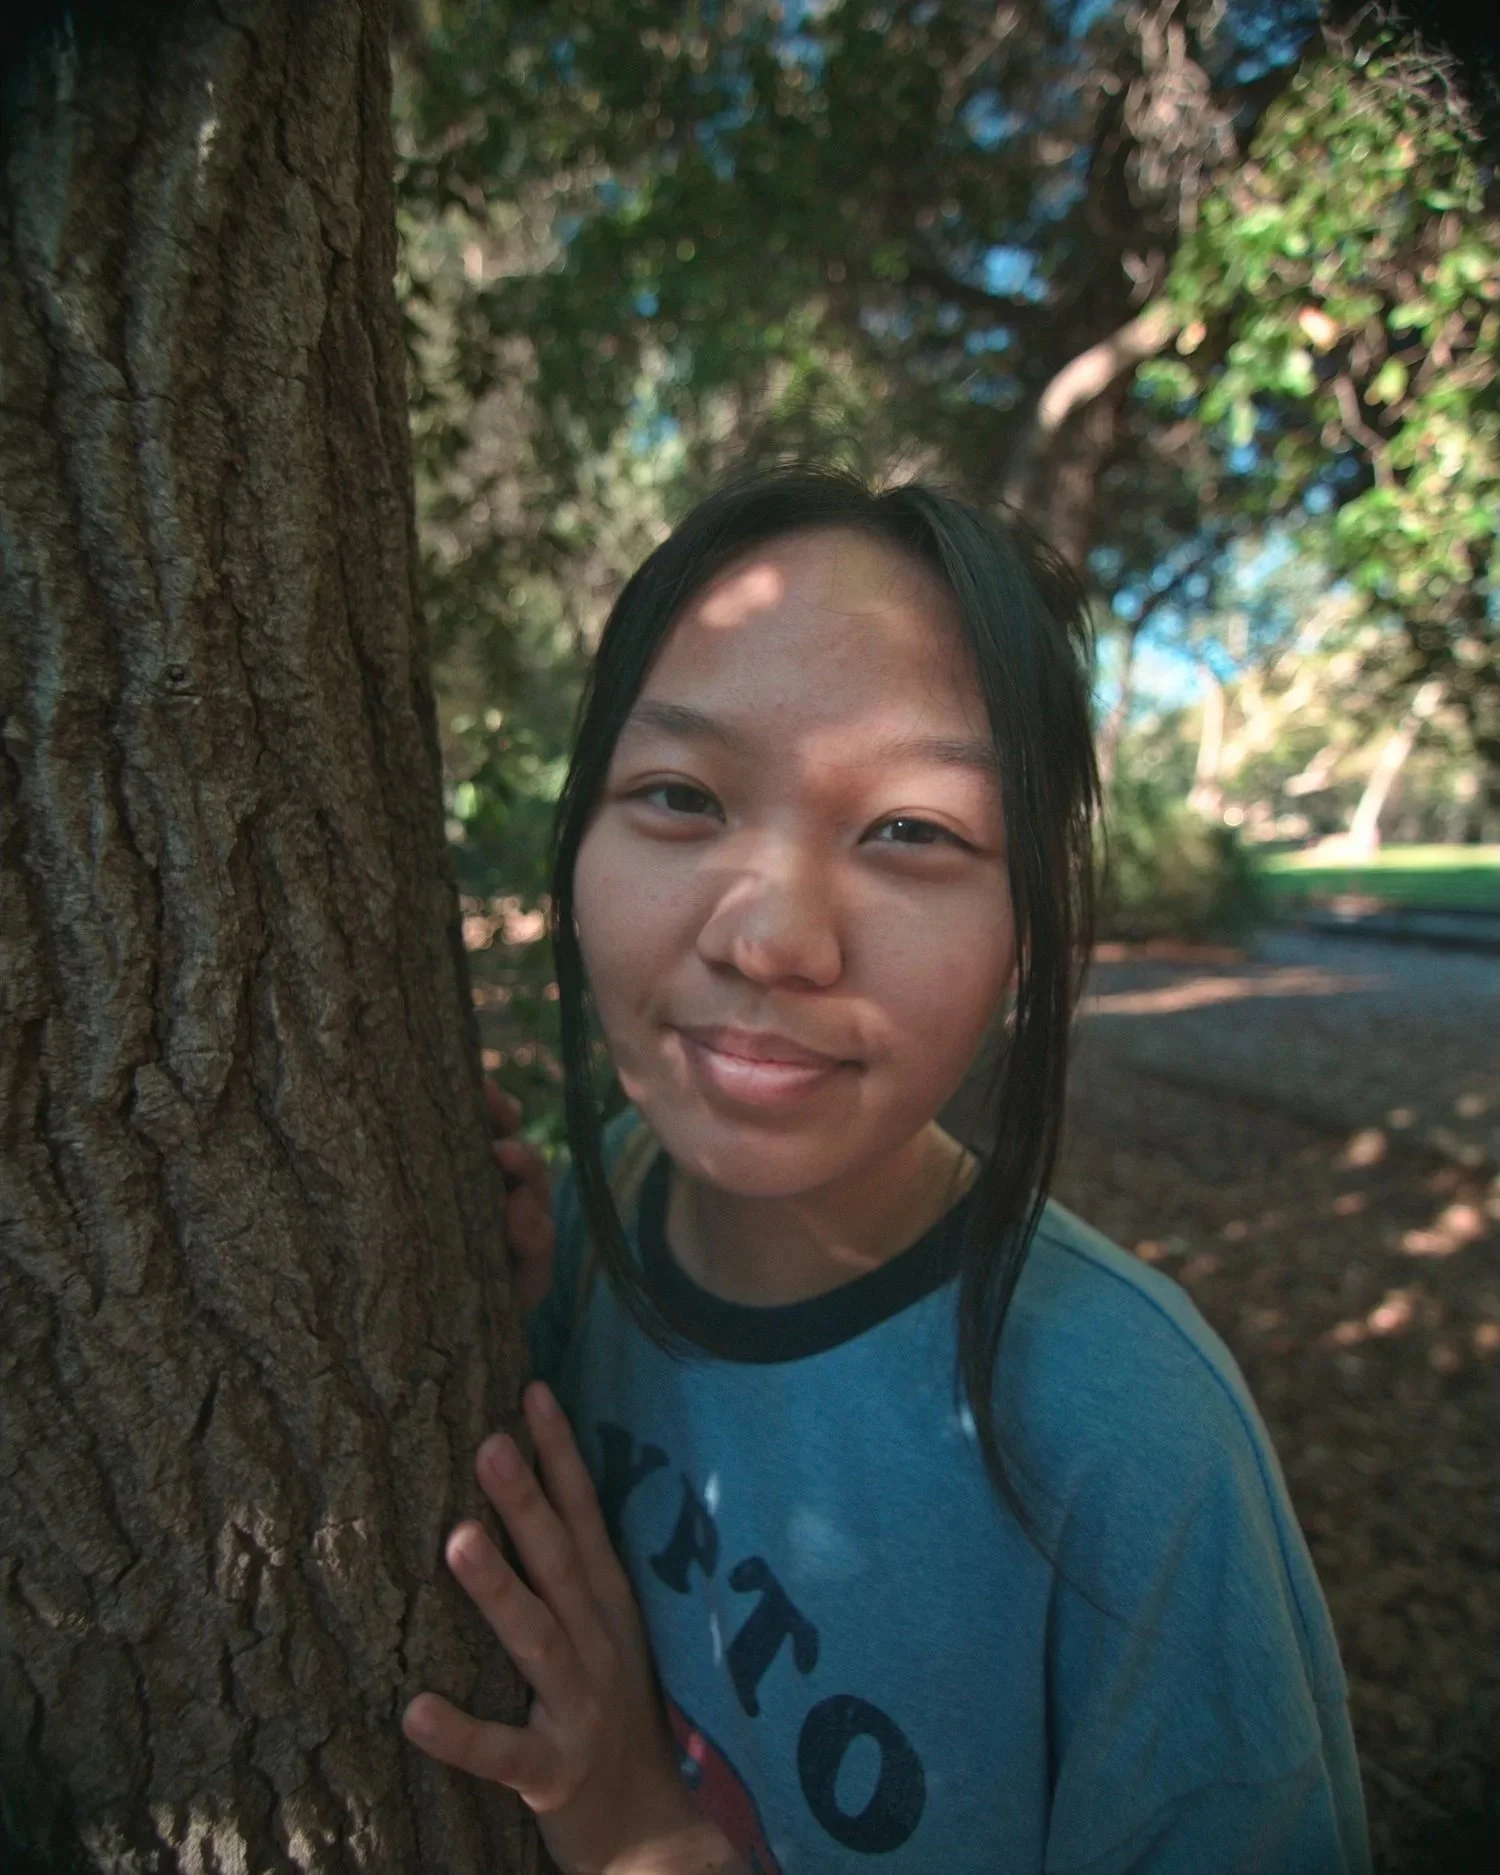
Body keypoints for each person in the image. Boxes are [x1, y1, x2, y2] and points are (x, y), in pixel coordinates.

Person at [401, 466, 1372, 1875]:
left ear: (1029, 927)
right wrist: (513, 1312)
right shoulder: (580, 1222)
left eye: (912, 831)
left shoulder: (1135, 1439)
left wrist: (647, 1841)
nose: (775, 938)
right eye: (678, 793)